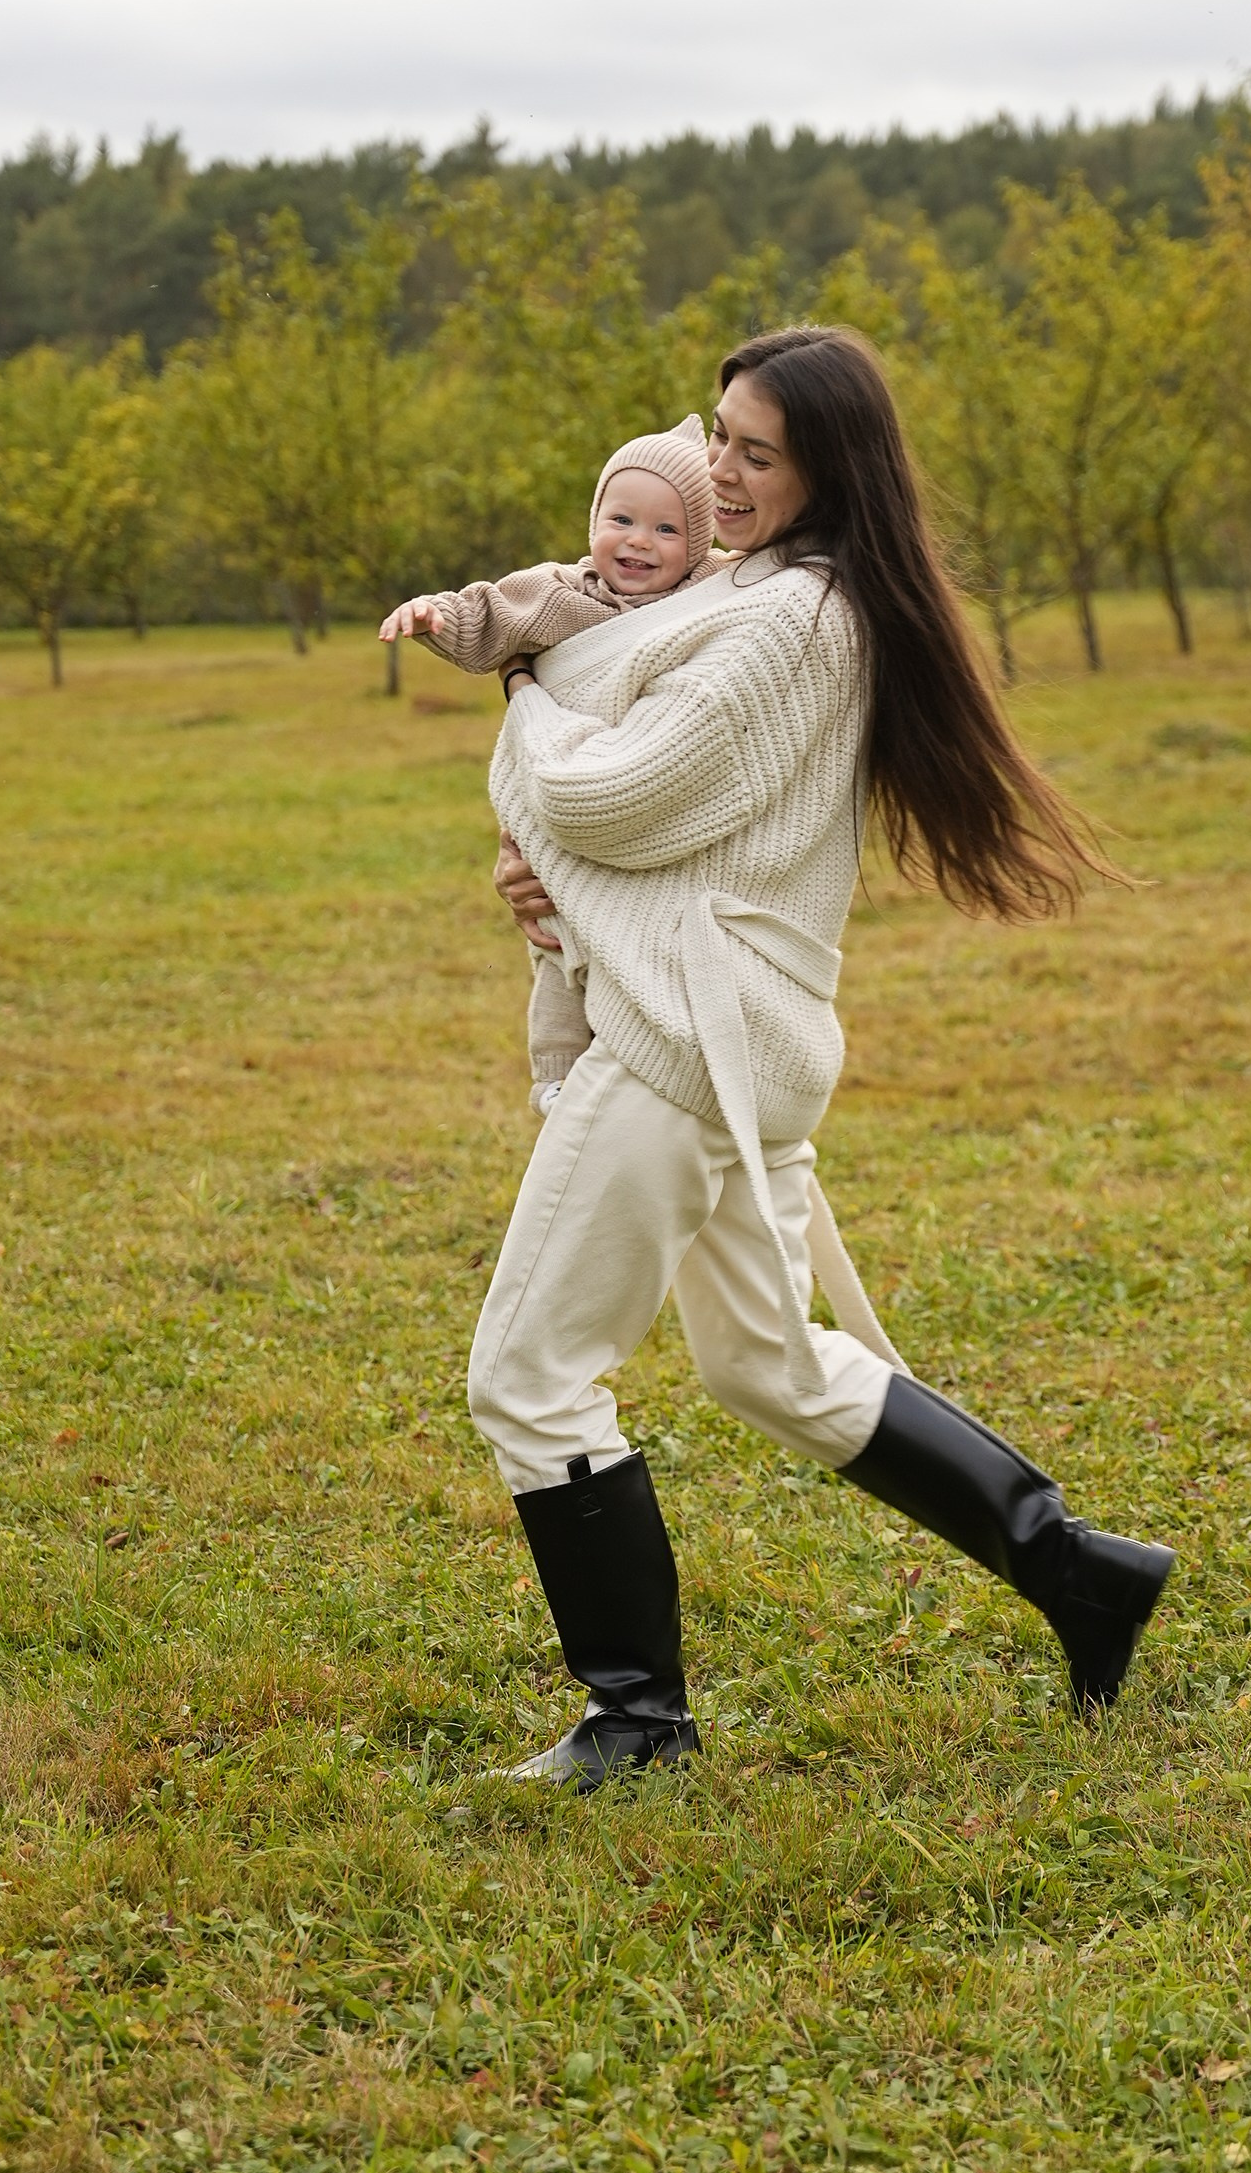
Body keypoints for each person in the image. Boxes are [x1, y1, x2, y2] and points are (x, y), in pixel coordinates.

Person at [468, 326, 1173, 1787]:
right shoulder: (763, 590)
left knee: (530, 1378)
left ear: (828, 469)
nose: (719, 475)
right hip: (734, 1032)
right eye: (717, 438)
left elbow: (611, 802)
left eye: (757, 454)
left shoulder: (792, 618)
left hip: (683, 1041)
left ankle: (638, 1722)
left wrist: (527, 699)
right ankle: (1080, 1571)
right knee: (771, 1365)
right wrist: (555, 880)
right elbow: (670, 834)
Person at [380, 418, 721, 1111]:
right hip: (559, 797)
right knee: (556, 945)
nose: (638, 541)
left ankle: (636, 1071)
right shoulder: (562, 593)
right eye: (621, 520)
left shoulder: (708, 597)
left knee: (623, 963)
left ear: (699, 547)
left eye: (666, 529)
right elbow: (490, 612)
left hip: (638, 800)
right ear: (594, 519)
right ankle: (557, 1074)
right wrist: (434, 615)